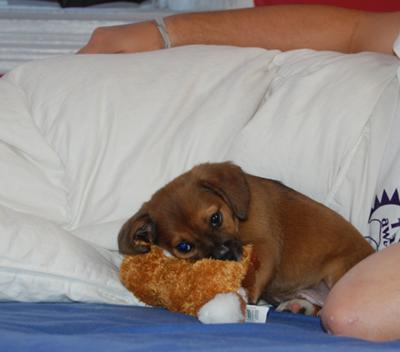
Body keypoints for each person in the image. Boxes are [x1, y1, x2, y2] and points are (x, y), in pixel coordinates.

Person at [79, 5, 400, 342]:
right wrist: (161, 32)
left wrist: (240, 294)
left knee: (350, 314)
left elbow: (353, 315)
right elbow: (355, 30)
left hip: (351, 285)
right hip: (349, 273)